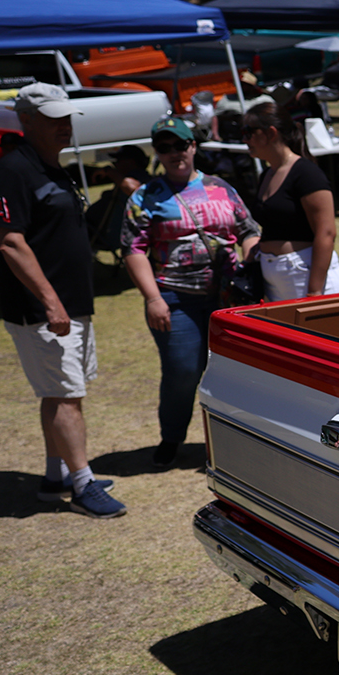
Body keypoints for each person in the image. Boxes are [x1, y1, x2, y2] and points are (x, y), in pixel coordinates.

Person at [0, 82, 125, 516]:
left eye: (66, 118)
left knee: (58, 392)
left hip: (70, 303)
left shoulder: (52, 166)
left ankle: (55, 475)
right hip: (43, 309)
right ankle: (82, 484)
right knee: (66, 396)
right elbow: (10, 242)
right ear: (25, 120)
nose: (64, 126)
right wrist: (50, 301)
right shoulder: (13, 170)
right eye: (53, 119)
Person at [122, 117, 260, 467]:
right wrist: (152, 298)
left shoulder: (220, 187)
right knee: (183, 372)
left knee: (231, 373)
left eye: (180, 145)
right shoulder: (146, 195)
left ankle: (232, 438)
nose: (174, 154)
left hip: (227, 298)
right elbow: (133, 249)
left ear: (193, 146)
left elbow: (248, 230)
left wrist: (248, 265)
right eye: (164, 148)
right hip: (174, 297)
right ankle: (172, 437)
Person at [243, 103, 339, 302]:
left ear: (271, 133)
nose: (244, 139)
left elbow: (326, 233)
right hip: (275, 277)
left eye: (249, 132)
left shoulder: (306, 173)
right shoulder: (267, 174)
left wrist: (315, 292)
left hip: (305, 274)